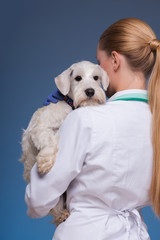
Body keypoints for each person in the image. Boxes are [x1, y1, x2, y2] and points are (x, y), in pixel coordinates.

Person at [25, 18, 160, 240]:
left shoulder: (85, 119)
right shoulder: (156, 120)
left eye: (99, 63)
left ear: (115, 60)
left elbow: (37, 201)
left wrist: (42, 144)